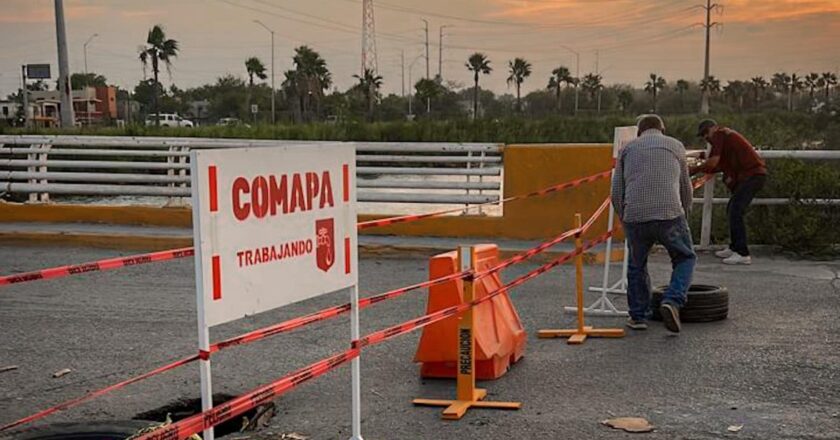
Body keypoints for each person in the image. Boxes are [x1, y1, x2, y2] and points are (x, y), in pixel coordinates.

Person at [612, 114, 696, 333]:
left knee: (636, 265)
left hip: (636, 216)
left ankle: (638, 317)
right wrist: (684, 213)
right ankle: (672, 300)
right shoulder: (676, 146)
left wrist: (624, 217)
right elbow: (686, 187)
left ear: (639, 131)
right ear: (662, 129)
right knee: (685, 257)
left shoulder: (627, 149)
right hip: (670, 214)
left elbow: (616, 191)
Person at [690, 119, 767, 265]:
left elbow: (712, 163)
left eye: (705, 133)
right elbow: (716, 165)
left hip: (752, 176)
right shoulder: (725, 138)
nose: (705, 138)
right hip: (751, 176)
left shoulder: (719, 135)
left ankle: (742, 253)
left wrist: (693, 170)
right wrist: (700, 161)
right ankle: (735, 247)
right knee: (732, 209)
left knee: (736, 211)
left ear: (712, 129)